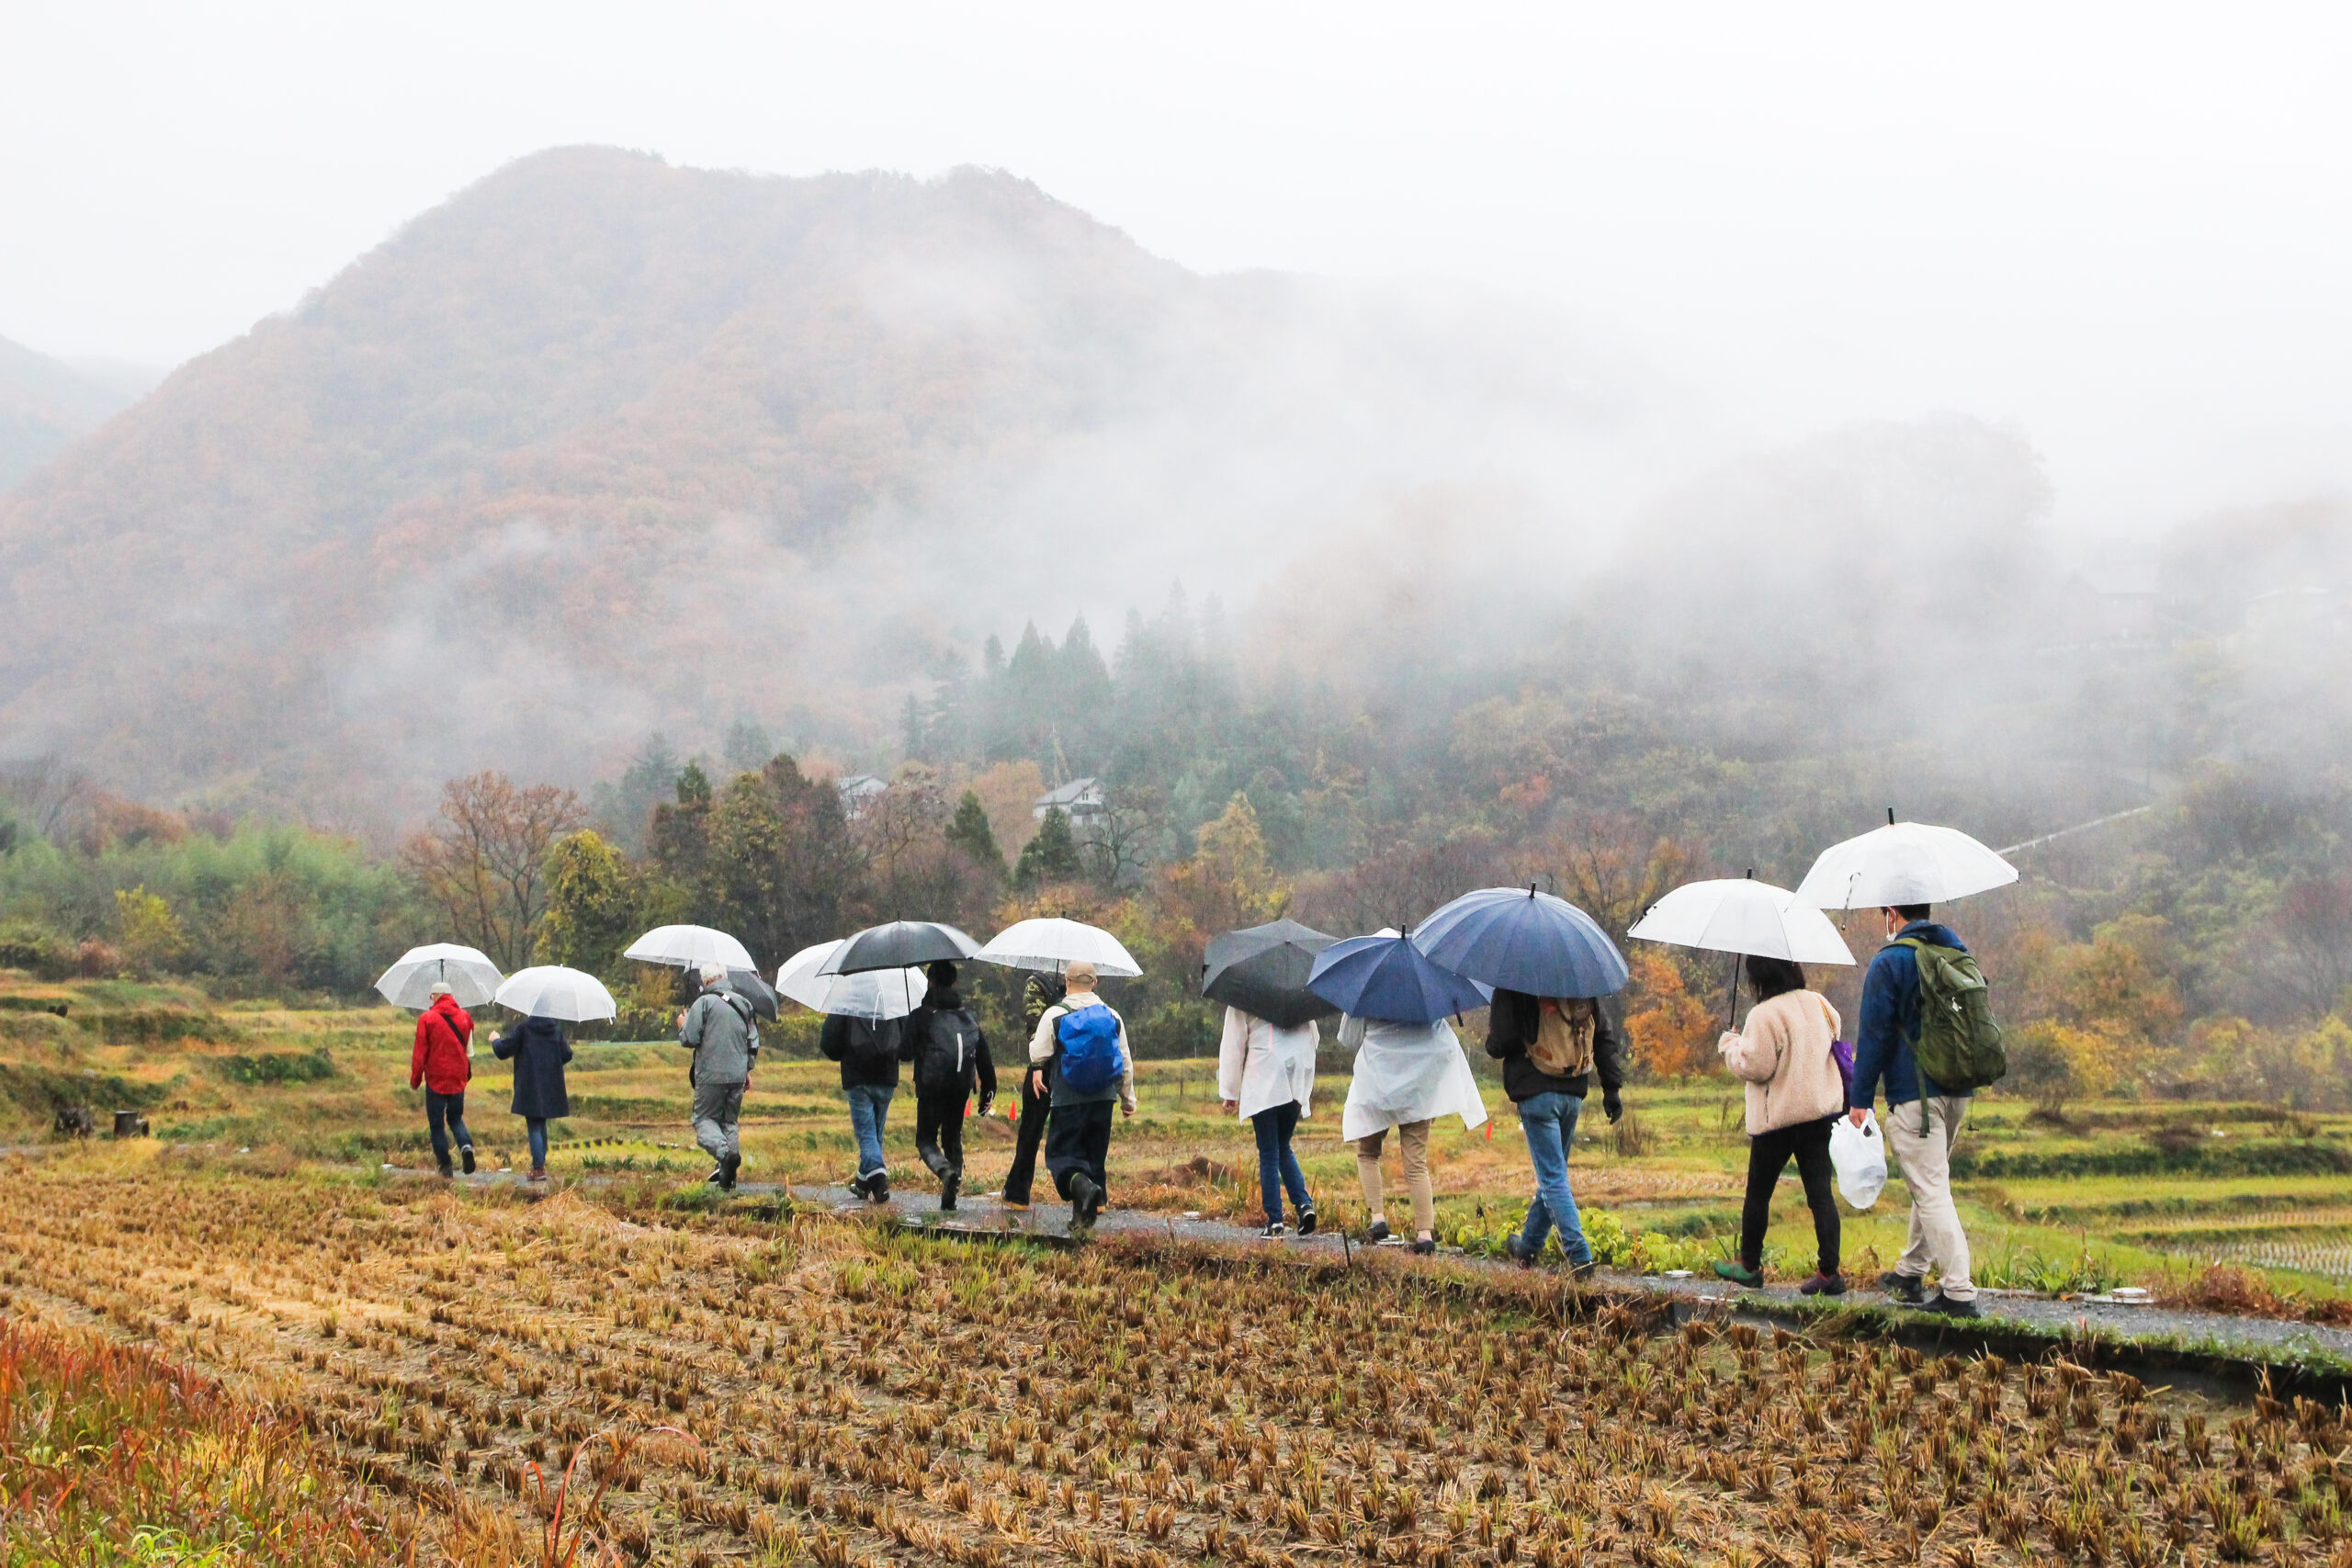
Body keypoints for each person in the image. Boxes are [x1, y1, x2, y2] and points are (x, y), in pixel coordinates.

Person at [1849, 903, 1981, 1317]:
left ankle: (1959, 1293)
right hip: (1958, 1091)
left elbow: (1874, 1034)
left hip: (1915, 1096)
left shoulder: (1890, 962)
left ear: (1892, 913)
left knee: (1931, 1190)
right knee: (1931, 1183)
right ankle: (1910, 1272)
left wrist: (1860, 1097)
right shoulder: (1953, 950)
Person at [1713, 955, 1847, 1294]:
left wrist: (1731, 1046)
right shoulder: (1820, 1002)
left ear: (1761, 978)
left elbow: (1756, 1066)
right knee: (1821, 1196)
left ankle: (1750, 1265)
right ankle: (1830, 1273)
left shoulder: (1763, 1014)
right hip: (1818, 1115)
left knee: (1758, 1194)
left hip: (1779, 1120)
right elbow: (1834, 1032)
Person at [1486, 989, 1623, 1278]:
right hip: (1572, 1091)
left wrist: (1492, 1042)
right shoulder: (1579, 984)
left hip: (1535, 1091)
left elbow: (1502, 1042)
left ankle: (1580, 1257)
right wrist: (1611, 1088)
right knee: (1554, 1173)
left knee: (1552, 1178)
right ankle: (1528, 1247)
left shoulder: (1514, 984)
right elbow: (1602, 1035)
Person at [1341, 1010, 1487, 1255]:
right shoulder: (1426, 997)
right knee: (1416, 1164)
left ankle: (1378, 1219)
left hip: (1376, 1085)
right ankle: (1425, 1235)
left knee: (1367, 1154)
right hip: (1419, 1092)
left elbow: (1349, 1039)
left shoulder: (1367, 991)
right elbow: (1445, 1044)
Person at [1027, 960, 1135, 1230]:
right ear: (1095, 983)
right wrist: (1127, 1098)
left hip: (1068, 1098)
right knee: (1092, 1156)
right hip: (1103, 1098)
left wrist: (1038, 1069)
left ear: (1067, 982)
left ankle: (1085, 1191)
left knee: (1061, 1157)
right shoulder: (1112, 1015)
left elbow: (1038, 1052)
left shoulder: (1054, 1014)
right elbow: (1124, 1060)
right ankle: (1083, 1217)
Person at [899, 961, 995, 1212]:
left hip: (931, 1088)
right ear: (954, 984)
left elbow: (904, 1053)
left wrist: (908, 1028)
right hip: (961, 1087)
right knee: (952, 1138)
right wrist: (988, 1090)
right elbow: (983, 1055)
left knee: (926, 1141)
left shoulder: (922, 1016)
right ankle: (950, 1198)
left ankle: (944, 1170)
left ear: (930, 982)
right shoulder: (966, 1016)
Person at [1217, 1005, 1320, 1237]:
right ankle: (1304, 1205)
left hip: (1264, 1075)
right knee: (1283, 1146)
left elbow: (1233, 1045)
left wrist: (1230, 1092)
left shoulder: (1242, 994)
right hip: (1296, 1074)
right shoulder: (1297, 992)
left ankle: (1275, 1220)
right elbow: (1314, 1035)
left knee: (1269, 1152)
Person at [679, 963, 759, 1191]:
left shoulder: (703, 1003)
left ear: (705, 982)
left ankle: (725, 1156)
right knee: (729, 1122)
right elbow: (753, 1042)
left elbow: (689, 1039)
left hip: (710, 1075)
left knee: (703, 1120)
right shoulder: (744, 1004)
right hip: (737, 1075)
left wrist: (683, 1025)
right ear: (724, 978)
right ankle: (728, 1176)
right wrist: (746, 1071)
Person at [999, 969, 1066, 1209]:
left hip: (1045, 1066)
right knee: (1074, 1131)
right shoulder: (1079, 983)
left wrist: (1038, 1063)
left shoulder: (1036, 983)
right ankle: (1089, 1191)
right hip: (1074, 1065)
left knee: (1031, 1131)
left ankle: (1018, 1193)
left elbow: (1034, 1026)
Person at [820, 1007, 902, 1201]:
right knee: (875, 1135)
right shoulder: (892, 1000)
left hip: (857, 1077)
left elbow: (829, 1043)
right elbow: (907, 1043)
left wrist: (846, 1052)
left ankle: (879, 1179)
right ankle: (863, 1184)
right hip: (887, 1076)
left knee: (867, 1135)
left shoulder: (847, 1001)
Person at [490, 1011, 571, 1182]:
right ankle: (541, 1162)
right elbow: (567, 1054)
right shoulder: (555, 1030)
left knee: (534, 1123)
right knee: (540, 1121)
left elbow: (503, 1050)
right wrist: (550, 1061)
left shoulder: (524, 1029)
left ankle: (538, 1167)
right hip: (549, 1083)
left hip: (529, 1083)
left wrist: (495, 1040)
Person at [409, 982, 476, 1178]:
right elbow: (469, 1051)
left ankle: (445, 1166)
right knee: (456, 1118)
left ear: (436, 996)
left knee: (437, 1124)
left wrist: (415, 1079)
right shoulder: (465, 1017)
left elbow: (419, 1053)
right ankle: (465, 1146)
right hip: (457, 1078)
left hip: (436, 1079)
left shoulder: (426, 1019)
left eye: (431, 996)